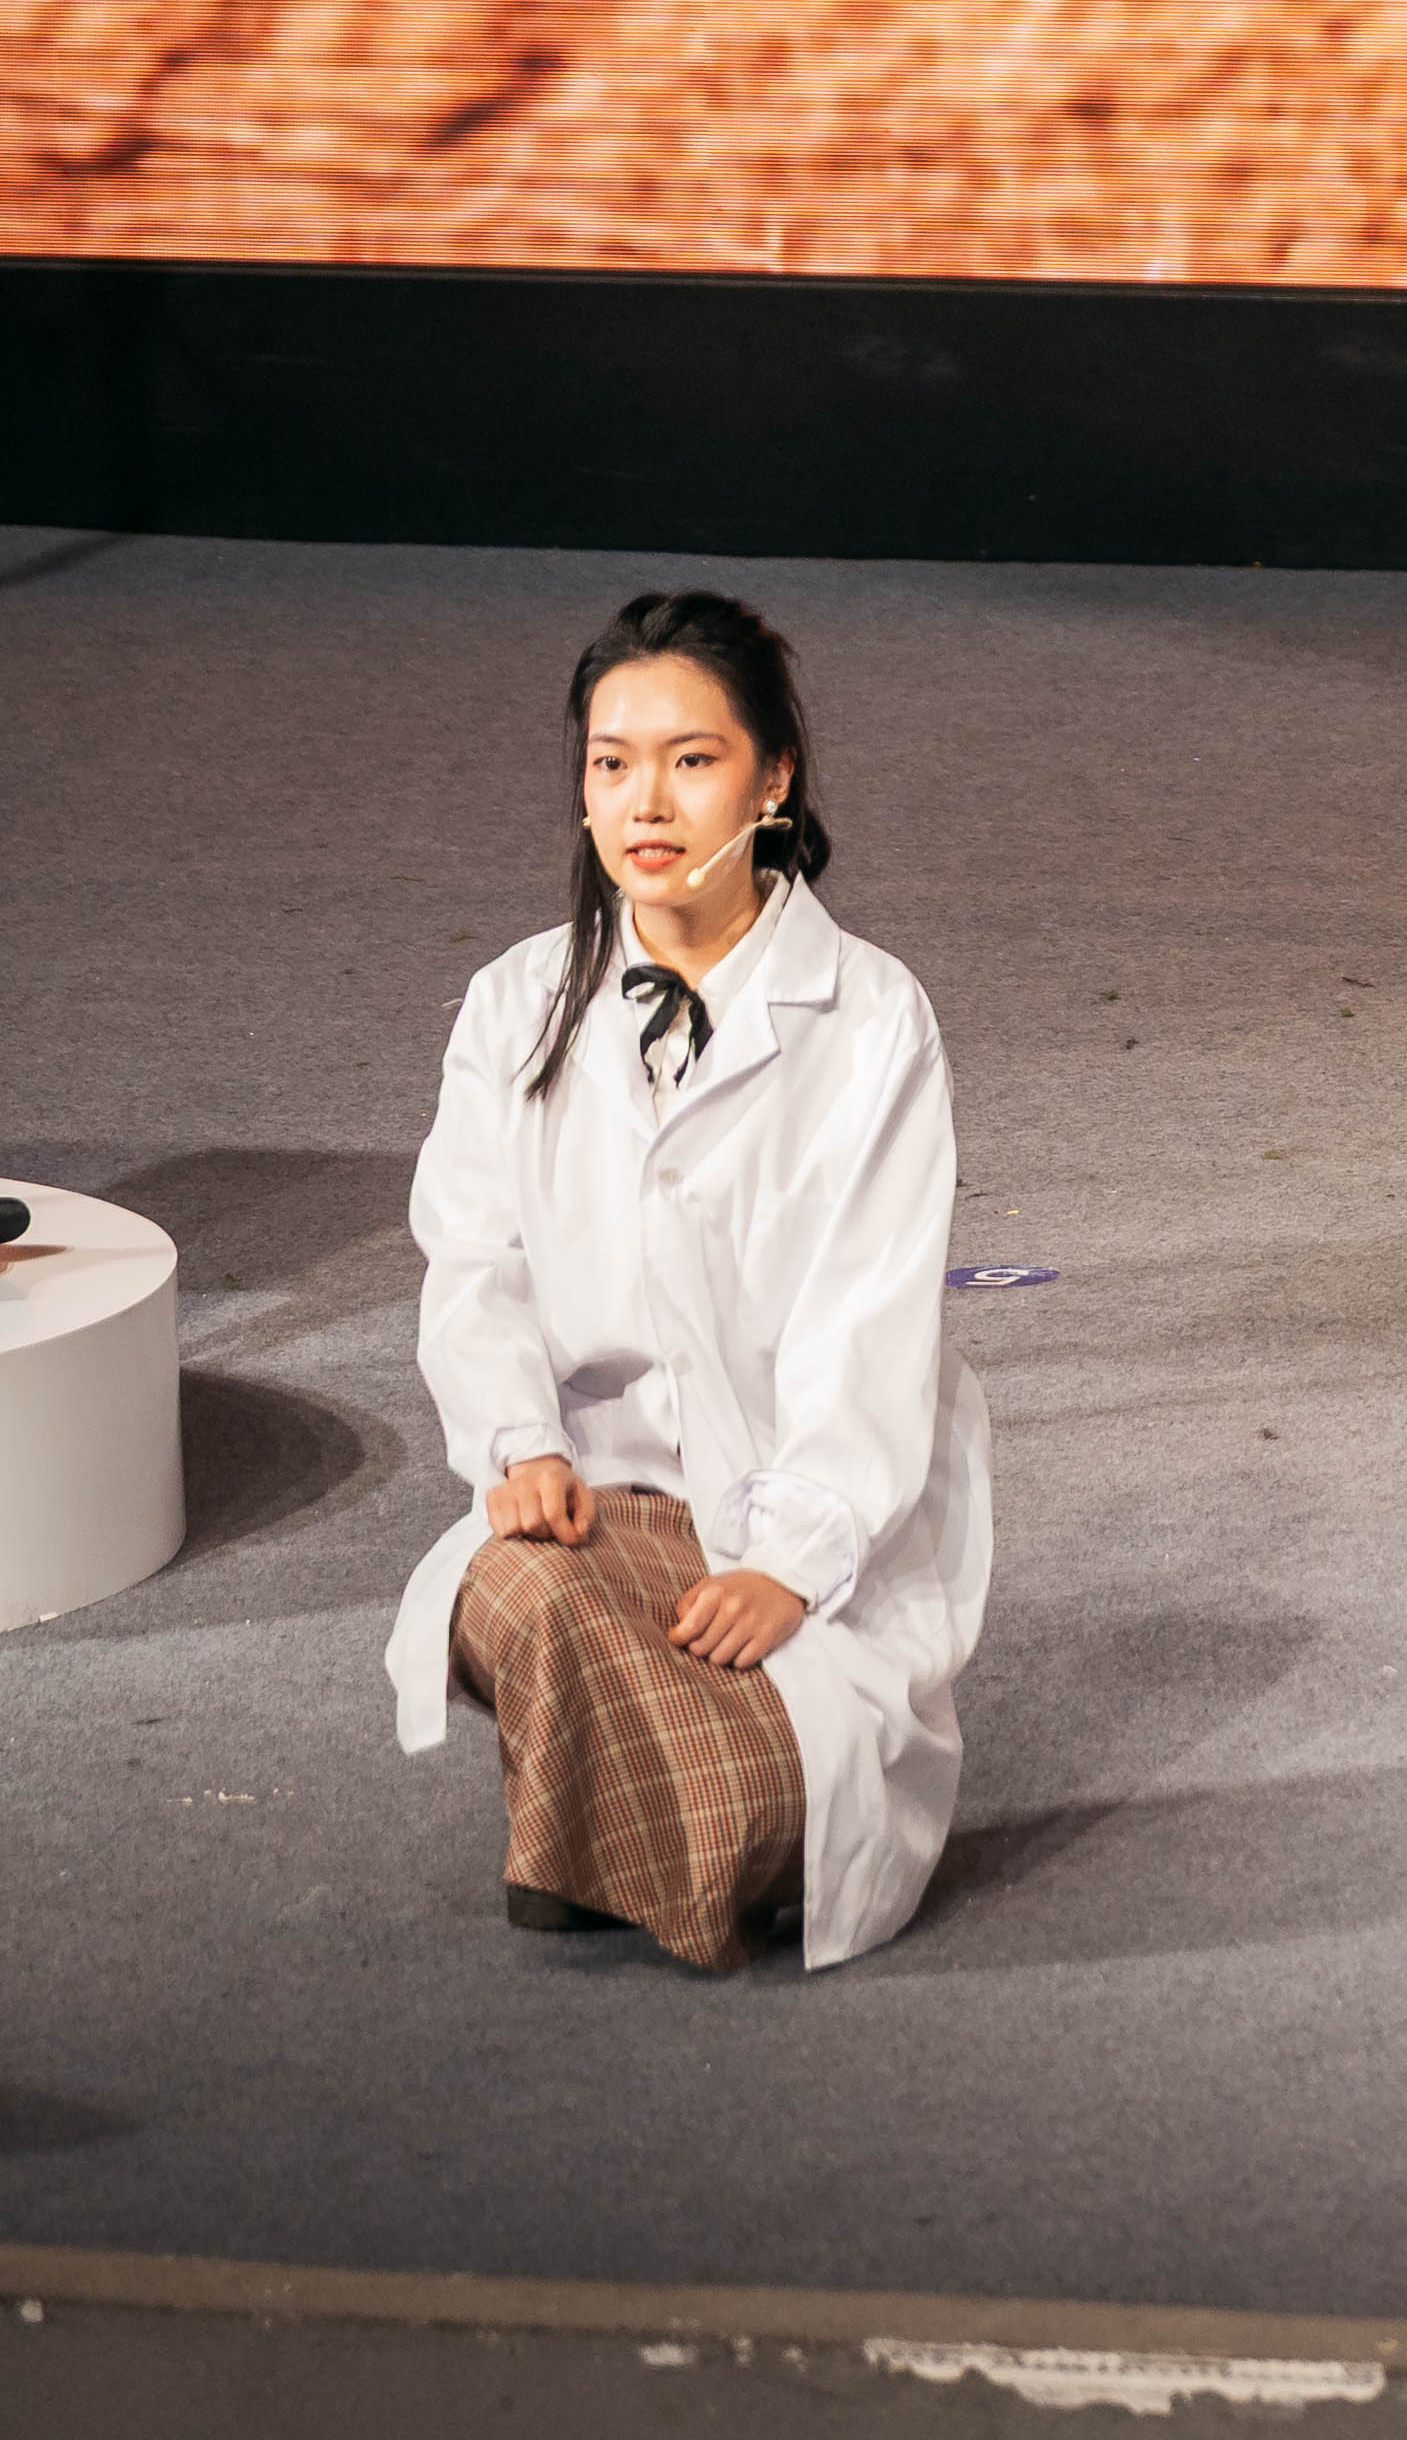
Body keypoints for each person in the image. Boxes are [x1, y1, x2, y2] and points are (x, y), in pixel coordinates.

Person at [387, 590, 991, 1973]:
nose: (644, 801)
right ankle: (620, 1811)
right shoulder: (517, 1001)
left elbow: (868, 1322)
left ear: (773, 778)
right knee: (518, 1592)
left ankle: (602, 1818)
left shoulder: (871, 1019)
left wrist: (788, 1565)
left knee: (766, 1786)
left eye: (691, 758)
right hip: (604, 1508)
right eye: (611, 762)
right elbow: (472, 1256)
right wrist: (520, 1441)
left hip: (797, 1513)